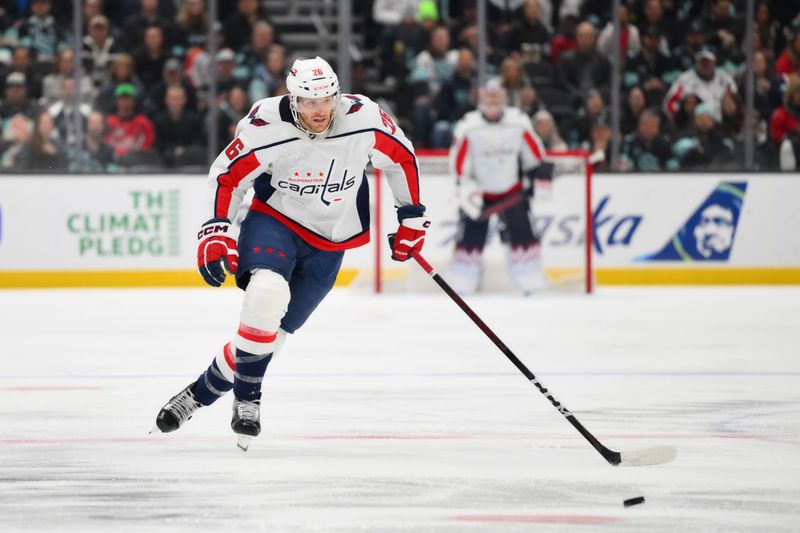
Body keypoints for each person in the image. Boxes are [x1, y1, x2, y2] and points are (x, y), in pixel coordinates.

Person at [153, 57, 428, 442]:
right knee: (267, 294)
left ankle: (196, 395)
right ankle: (248, 400)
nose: (320, 110)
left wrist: (412, 217)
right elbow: (228, 176)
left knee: (273, 336)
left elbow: (402, 156)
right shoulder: (265, 124)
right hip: (276, 220)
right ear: (292, 98)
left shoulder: (363, 117)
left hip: (332, 237)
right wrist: (217, 231)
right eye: (309, 102)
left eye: (326, 100)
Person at [448, 80, 549, 295]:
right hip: (481, 195)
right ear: (481, 98)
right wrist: (466, 190)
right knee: (469, 240)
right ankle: (462, 285)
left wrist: (537, 173)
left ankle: (530, 283)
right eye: (488, 96)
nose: (492, 100)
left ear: (503, 97)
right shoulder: (468, 125)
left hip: (511, 192)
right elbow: (458, 164)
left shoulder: (519, 122)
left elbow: (535, 155)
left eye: (496, 96)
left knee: (524, 238)